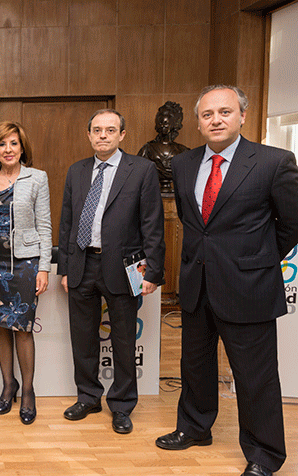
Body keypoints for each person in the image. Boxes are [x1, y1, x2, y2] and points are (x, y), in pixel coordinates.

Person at [155, 85, 298, 476]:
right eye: (207, 114)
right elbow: (192, 221)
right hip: (197, 284)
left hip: (248, 287)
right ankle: (195, 428)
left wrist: (254, 260)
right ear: (199, 121)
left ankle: (264, 455)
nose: (215, 120)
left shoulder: (274, 161)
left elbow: (290, 225)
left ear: (242, 116)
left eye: (224, 112)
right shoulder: (184, 165)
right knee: (195, 367)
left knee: (255, 377)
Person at [57, 108, 165, 435]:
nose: (103, 135)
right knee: (83, 339)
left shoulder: (142, 170)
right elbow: (66, 223)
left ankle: (121, 405)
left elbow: (153, 225)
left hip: (124, 267)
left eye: (110, 130)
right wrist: (64, 267)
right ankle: (88, 397)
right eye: (97, 130)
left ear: (122, 135)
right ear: (89, 135)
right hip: (81, 265)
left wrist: (152, 273)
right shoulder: (76, 171)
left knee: (122, 341)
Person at [0, 121, 51, 425]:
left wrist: (44, 267)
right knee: (0, 327)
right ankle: (9, 385)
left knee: (22, 328)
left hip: (25, 264)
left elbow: (45, 225)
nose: (8, 150)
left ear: (22, 148)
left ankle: (29, 390)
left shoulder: (37, 178)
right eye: (2, 144)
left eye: (13, 144)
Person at [137, 101, 190, 193]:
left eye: (169, 116)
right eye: (161, 116)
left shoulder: (184, 151)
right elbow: (137, 172)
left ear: (176, 121)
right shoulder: (147, 149)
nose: (165, 120)